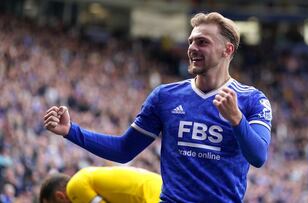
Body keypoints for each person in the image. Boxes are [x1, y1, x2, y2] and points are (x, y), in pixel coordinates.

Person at [44, 12, 272, 202]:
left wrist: (236, 119)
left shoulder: (252, 99)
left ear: (227, 50)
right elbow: (123, 150)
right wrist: (71, 131)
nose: (192, 48)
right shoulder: (165, 96)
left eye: (202, 42)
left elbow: (258, 156)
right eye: (191, 41)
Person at [39, 166, 162, 203]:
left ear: (60, 196)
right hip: (161, 188)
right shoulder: (84, 177)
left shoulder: (74, 187)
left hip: (153, 196)